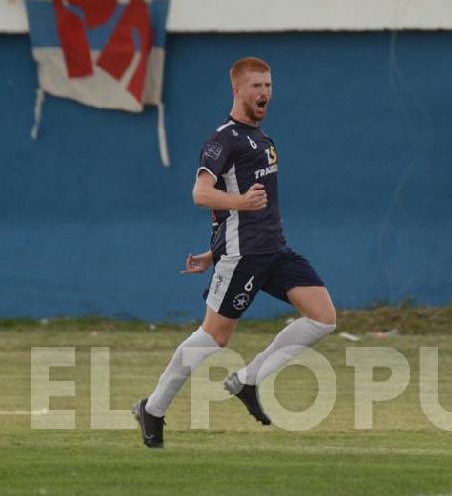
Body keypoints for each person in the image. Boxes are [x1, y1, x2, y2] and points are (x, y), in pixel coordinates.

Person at [133, 56, 337, 448]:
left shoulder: (262, 139)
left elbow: (240, 211)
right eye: (256, 86)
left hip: (275, 250)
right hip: (243, 257)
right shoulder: (222, 139)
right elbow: (201, 193)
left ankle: (248, 379)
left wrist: (211, 251)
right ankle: (154, 409)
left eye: (268, 86)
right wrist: (240, 205)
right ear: (237, 90)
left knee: (323, 317)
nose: (264, 93)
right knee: (214, 338)